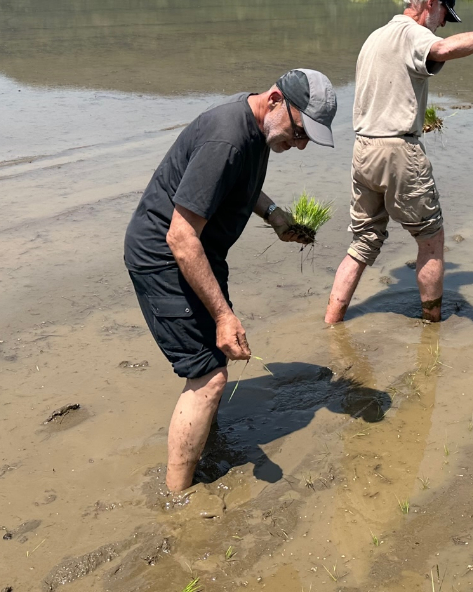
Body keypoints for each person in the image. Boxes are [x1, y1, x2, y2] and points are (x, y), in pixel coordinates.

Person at [124, 69, 338, 491]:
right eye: (299, 132)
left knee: (213, 362)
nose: (299, 145)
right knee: (209, 376)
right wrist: (223, 315)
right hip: (166, 257)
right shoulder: (227, 139)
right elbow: (179, 237)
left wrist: (275, 216)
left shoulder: (257, 127)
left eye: (307, 139)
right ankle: (178, 495)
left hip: (200, 252)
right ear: (275, 100)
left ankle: (203, 440)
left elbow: (238, 184)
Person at [324, 0, 473, 323]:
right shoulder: (412, 33)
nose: (443, 23)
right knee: (431, 239)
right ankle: (432, 327)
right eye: (445, 14)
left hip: (363, 149)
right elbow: (443, 49)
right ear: (431, 4)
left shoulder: (375, 36)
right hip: (397, 151)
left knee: (363, 242)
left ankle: (331, 321)